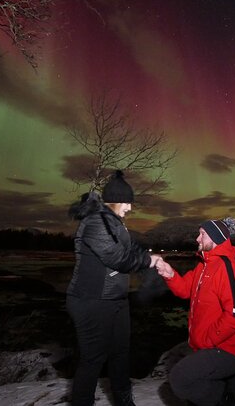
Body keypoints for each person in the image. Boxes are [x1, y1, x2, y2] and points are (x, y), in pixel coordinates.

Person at [66, 170, 162, 406]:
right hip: (91, 300)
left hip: (115, 299)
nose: (130, 208)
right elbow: (117, 257)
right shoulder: (95, 222)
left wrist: (154, 260)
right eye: (128, 203)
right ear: (116, 201)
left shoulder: (114, 223)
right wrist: (148, 261)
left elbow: (131, 251)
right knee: (93, 359)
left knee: (121, 353)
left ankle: (124, 401)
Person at [155, 217, 235, 406]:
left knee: (180, 378)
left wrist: (208, 339)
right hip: (208, 347)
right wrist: (170, 274)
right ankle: (227, 391)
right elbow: (185, 289)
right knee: (195, 392)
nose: (197, 239)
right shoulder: (204, 266)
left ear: (215, 238)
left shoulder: (227, 268)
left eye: (202, 234)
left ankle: (229, 395)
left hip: (228, 350)